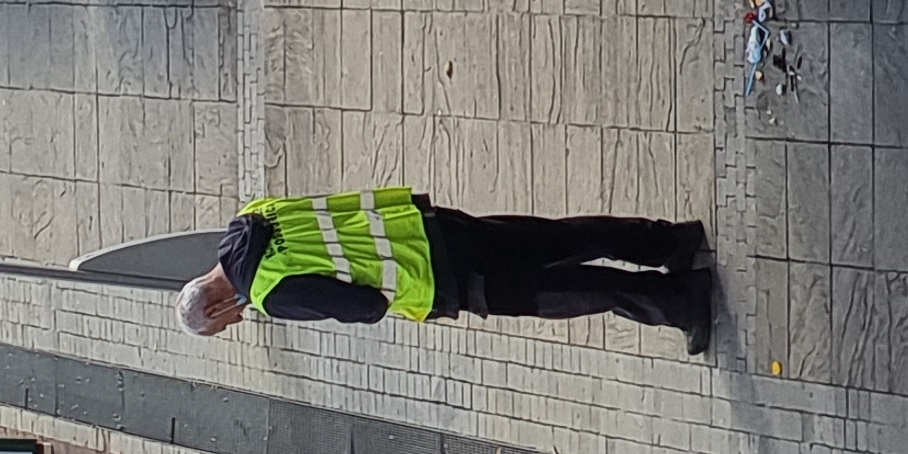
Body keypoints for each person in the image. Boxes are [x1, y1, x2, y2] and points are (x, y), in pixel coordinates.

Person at [174, 189, 715, 354]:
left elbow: (364, 306)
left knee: (569, 291)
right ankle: (673, 241)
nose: (234, 324)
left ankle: (681, 302)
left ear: (218, 307)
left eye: (223, 325)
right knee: (559, 236)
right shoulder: (249, 217)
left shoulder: (268, 292)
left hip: (439, 281)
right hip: (428, 224)